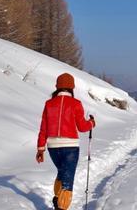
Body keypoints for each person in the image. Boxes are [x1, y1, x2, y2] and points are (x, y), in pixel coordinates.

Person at [36, 73, 95, 210]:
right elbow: (82, 127)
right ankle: (61, 206)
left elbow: (43, 128)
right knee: (68, 180)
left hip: (52, 147)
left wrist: (40, 149)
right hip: (70, 147)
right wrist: (91, 123)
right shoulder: (76, 104)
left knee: (62, 172)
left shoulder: (49, 103)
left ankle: (57, 199)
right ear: (72, 87)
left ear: (57, 87)